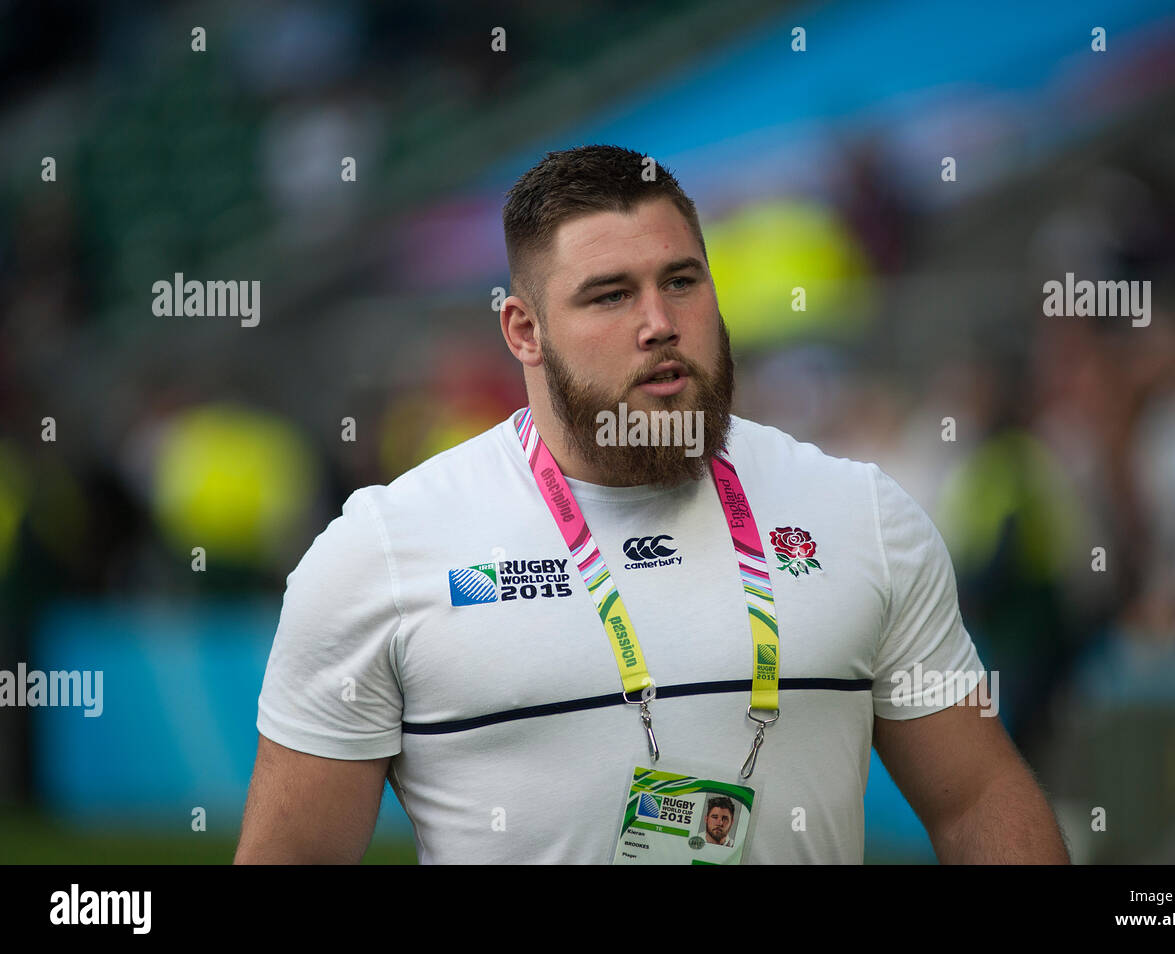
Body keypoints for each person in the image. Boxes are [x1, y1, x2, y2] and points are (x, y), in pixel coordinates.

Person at [235, 144, 1070, 864]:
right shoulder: (383, 552)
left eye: (682, 281)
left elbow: (978, 799)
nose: (660, 322)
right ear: (523, 331)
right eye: (610, 295)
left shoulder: (861, 516)